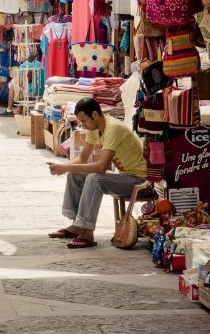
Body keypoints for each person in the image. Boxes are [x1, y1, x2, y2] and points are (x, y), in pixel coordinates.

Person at [48, 97, 146, 249]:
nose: (83, 125)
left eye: (84, 121)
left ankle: (87, 231)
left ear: (94, 115)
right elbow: (82, 159)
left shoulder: (113, 128)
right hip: (126, 177)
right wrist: (62, 166)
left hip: (141, 181)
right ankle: (77, 225)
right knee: (75, 174)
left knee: (95, 178)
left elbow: (101, 167)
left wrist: (66, 168)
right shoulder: (94, 129)